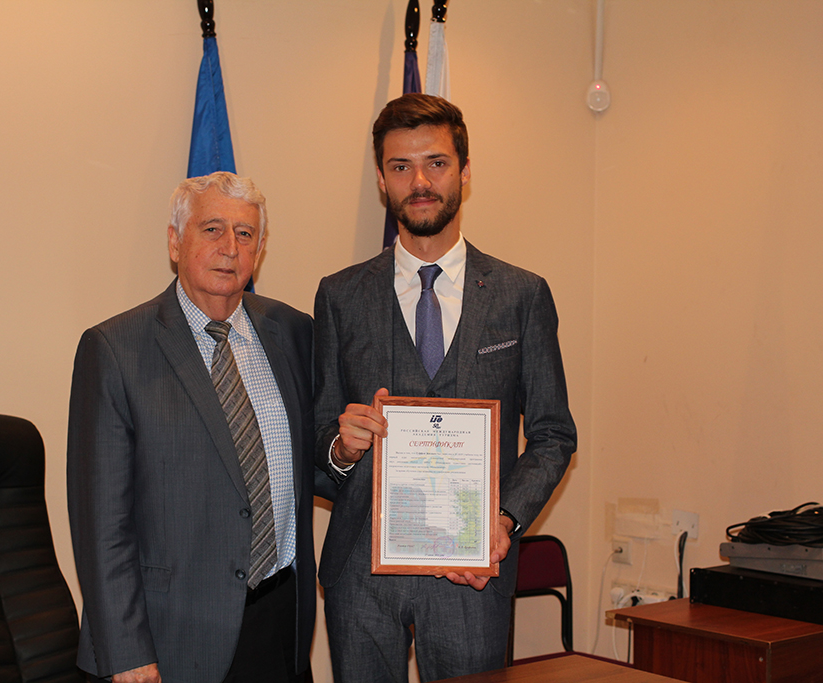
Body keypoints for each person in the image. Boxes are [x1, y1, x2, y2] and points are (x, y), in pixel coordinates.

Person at [314, 93, 577, 682]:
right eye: (400, 167)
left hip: (472, 571)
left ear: (464, 171)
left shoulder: (521, 295)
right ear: (381, 179)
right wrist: (342, 447)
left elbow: (554, 434)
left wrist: (503, 521)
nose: (419, 182)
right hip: (361, 569)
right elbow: (318, 433)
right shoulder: (340, 296)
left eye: (436, 163)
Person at [67, 172, 315, 683]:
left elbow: (307, 467)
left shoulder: (292, 332)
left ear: (260, 249)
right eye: (212, 229)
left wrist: (344, 451)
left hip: (277, 620)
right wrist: (126, 652)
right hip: (168, 635)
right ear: (175, 242)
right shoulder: (115, 348)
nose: (230, 248)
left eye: (245, 234)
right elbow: (102, 523)